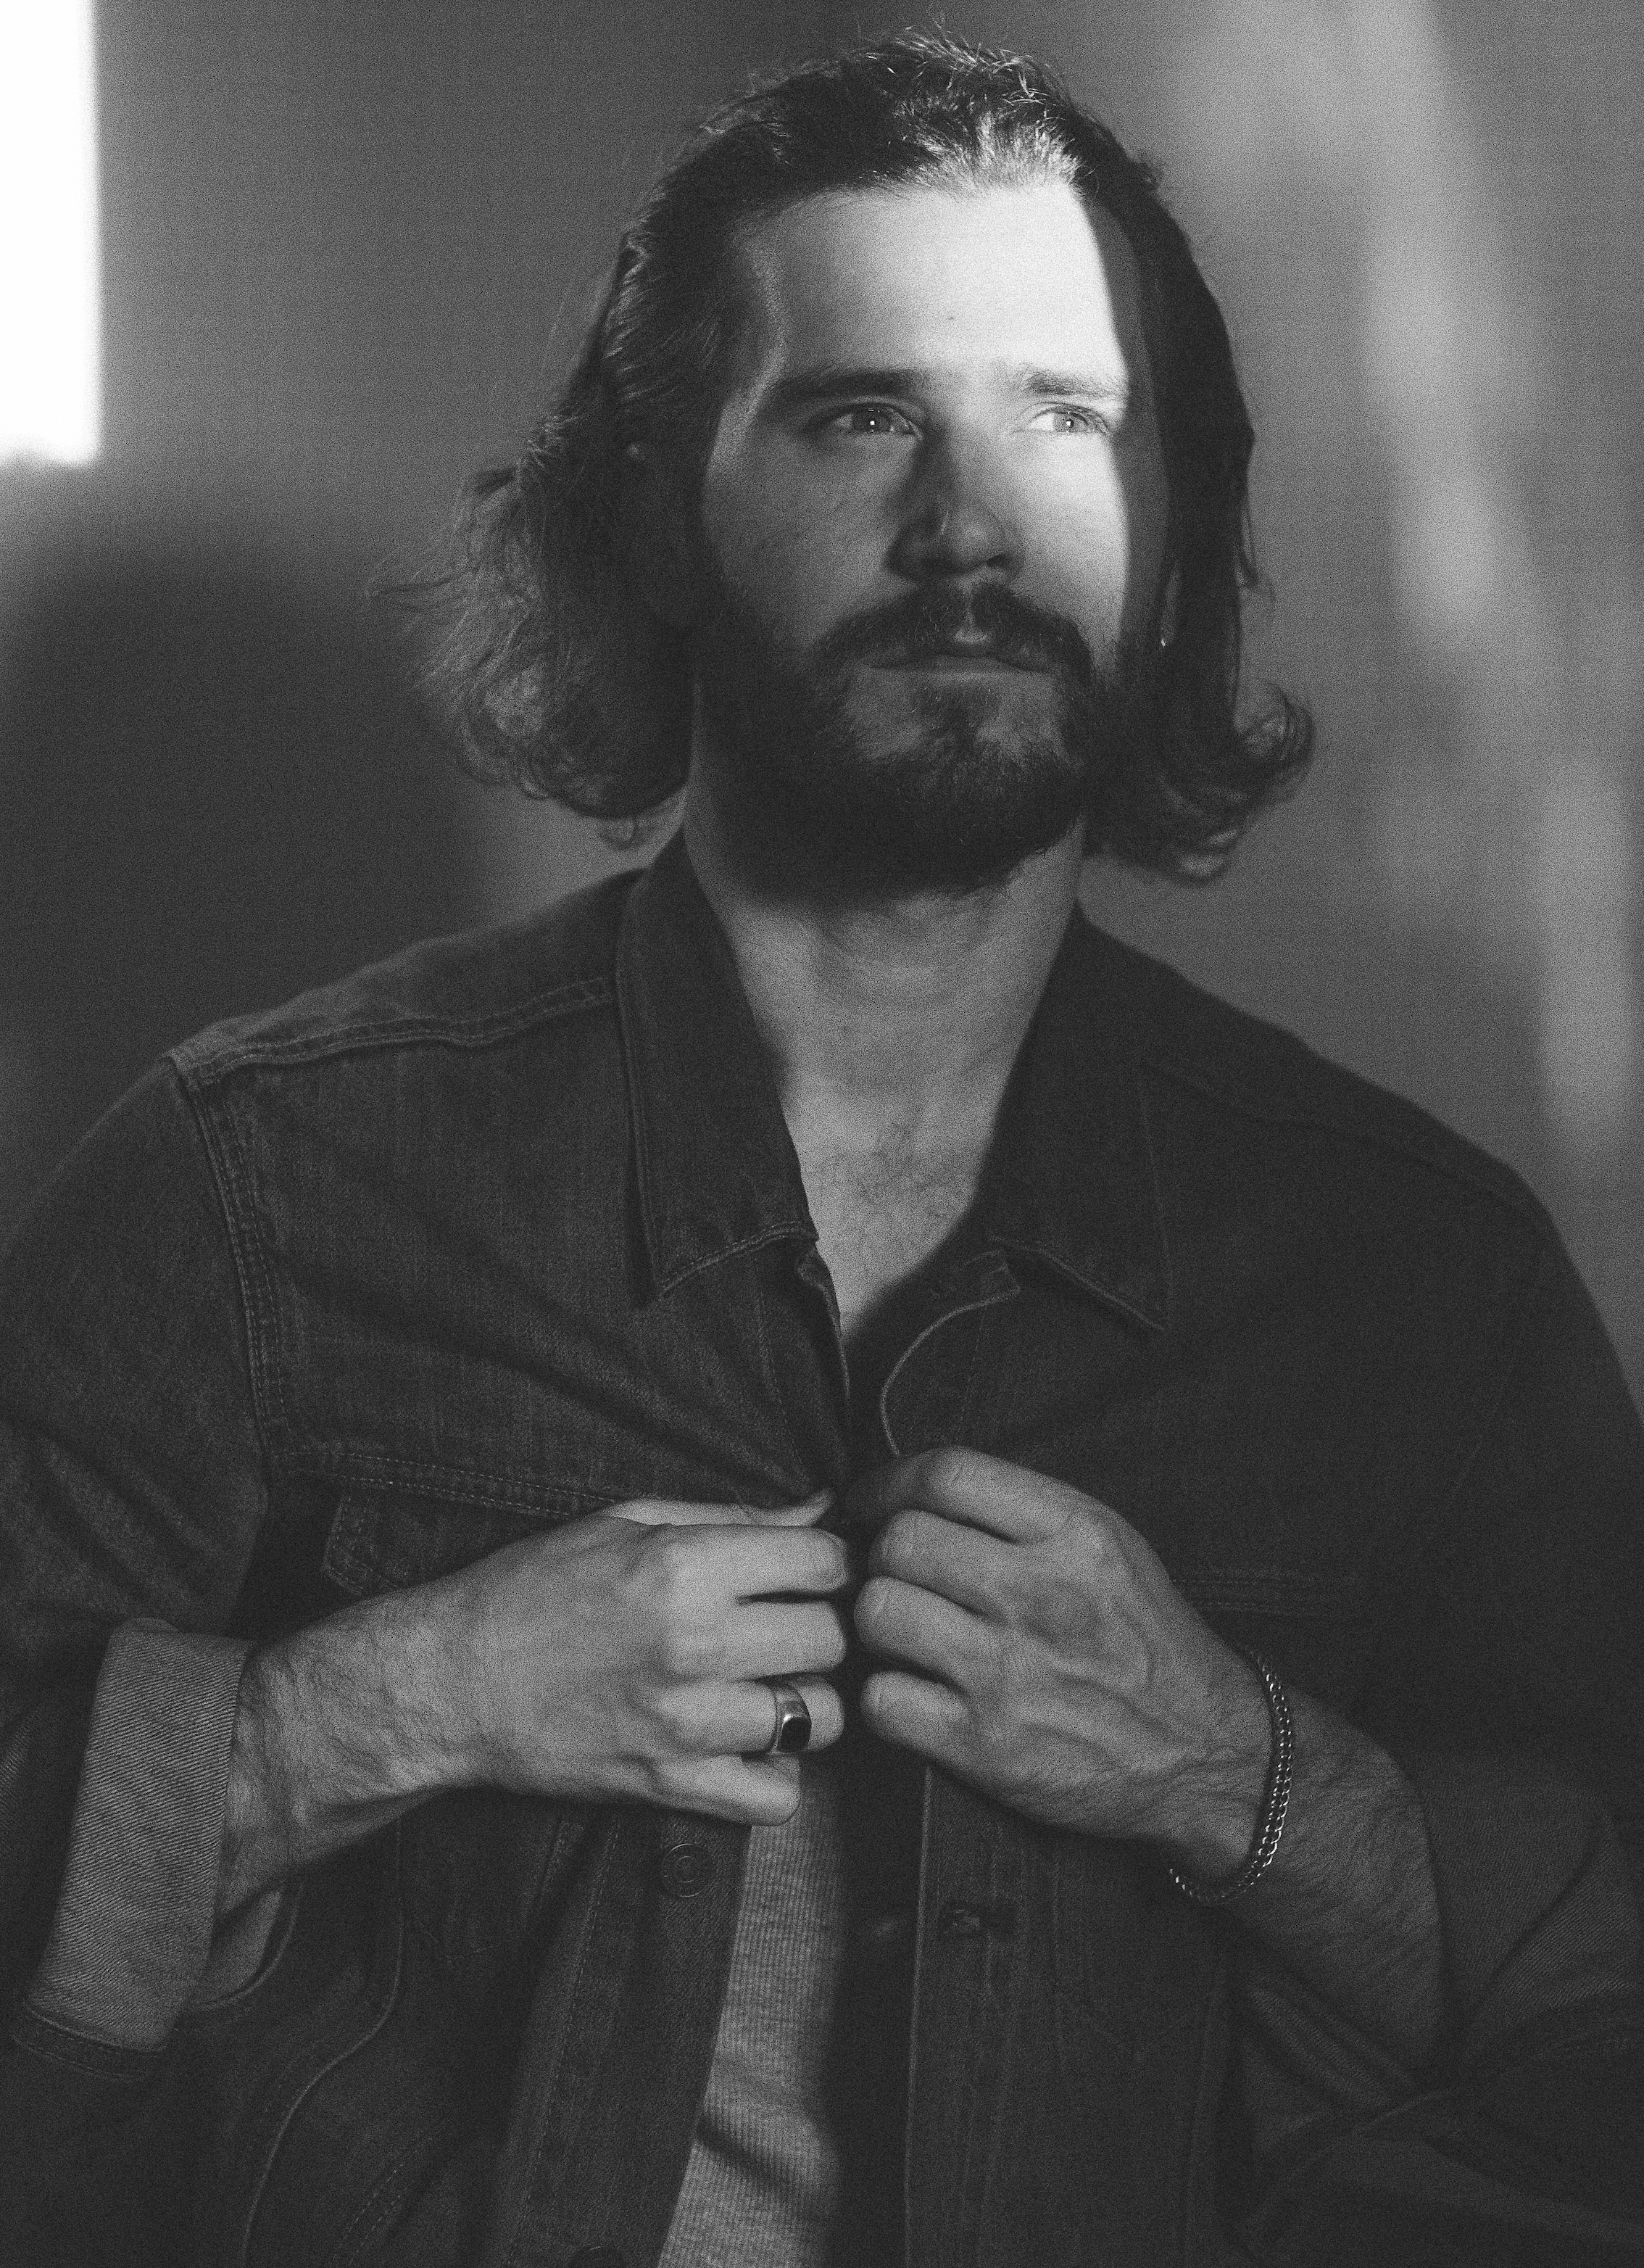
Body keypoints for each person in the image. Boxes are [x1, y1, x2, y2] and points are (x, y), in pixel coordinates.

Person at [2, 34, 1640, 2268]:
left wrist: (1240, 1773)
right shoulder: (255, 1191)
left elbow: (1598, 2051)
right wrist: (381, 1705)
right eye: (863, 415)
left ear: (1173, 542)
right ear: (656, 516)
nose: (968, 522)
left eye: (1065, 418)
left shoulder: (1414, 1286)